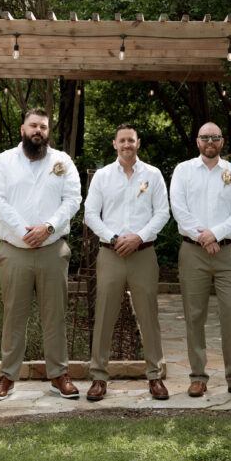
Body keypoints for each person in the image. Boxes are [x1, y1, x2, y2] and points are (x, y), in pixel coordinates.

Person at [0, 108, 82, 401]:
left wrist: (48, 227)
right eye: (33, 125)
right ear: (22, 129)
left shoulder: (62, 162)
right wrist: (24, 230)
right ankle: (7, 376)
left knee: (55, 315)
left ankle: (59, 375)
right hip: (15, 249)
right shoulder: (3, 161)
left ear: (48, 131)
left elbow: (73, 199)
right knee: (14, 314)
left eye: (43, 126)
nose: (38, 130)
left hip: (53, 249)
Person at [84, 124, 170, 402]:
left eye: (131, 140)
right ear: (114, 144)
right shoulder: (103, 177)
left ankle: (155, 376)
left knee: (148, 315)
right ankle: (99, 377)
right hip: (110, 253)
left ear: (138, 143)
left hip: (143, 253)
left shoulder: (153, 175)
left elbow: (163, 213)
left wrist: (139, 237)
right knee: (105, 315)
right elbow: (90, 214)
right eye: (122, 141)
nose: (126, 145)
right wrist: (113, 237)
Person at [169, 121, 231, 399]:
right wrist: (203, 237)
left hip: (227, 252)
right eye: (205, 137)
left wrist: (215, 234)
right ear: (197, 142)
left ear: (221, 141)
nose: (210, 142)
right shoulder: (183, 171)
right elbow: (179, 209)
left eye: (215, 137)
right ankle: (197, 376)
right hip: (193, 251)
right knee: (195, 315)